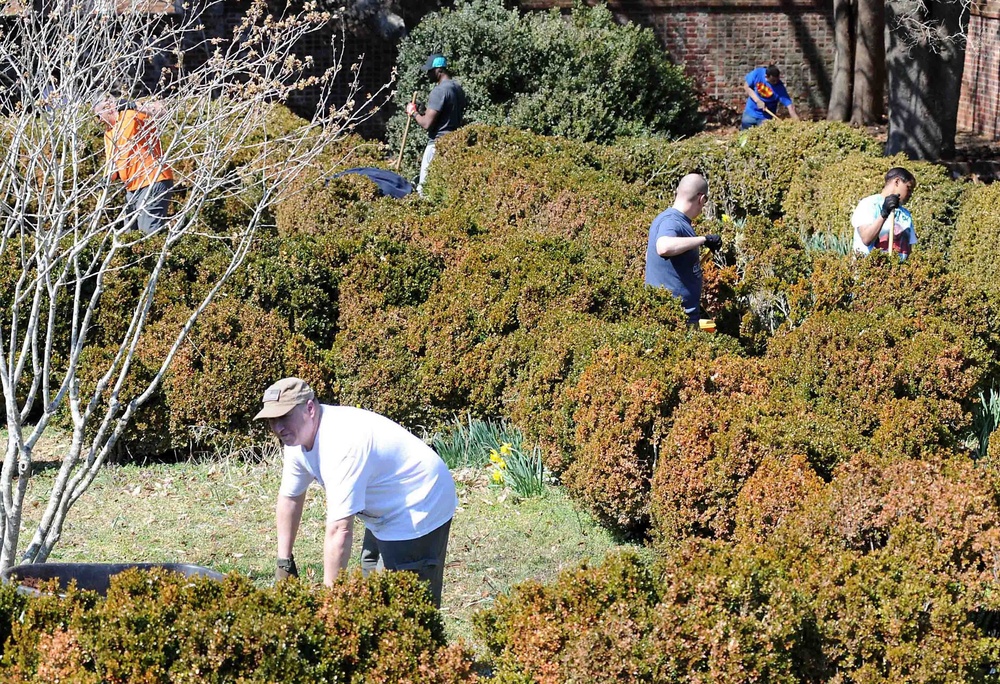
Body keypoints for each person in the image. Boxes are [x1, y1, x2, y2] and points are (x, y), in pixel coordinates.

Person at [255, 377, 457, 607]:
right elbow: (290, 498)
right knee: (372, 583)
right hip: (382, 505)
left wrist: (329, 605)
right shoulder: (297, 438)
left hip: (421, 499)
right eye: (272, 420)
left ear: (309, 408)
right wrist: (284, 562)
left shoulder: (341, 444)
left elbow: (339, 530)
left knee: (406, 603)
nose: (278, 427)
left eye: (284, 417)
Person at [644, 173, 722, 326]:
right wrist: (703, 240)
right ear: (701, 199)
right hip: (675, 319)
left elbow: (649, 256)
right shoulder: (672, 222)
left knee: (710, 330)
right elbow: (663, 247)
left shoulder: (665, 219)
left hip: (677, 315)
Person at [94, 96, 174, 235]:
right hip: (132, 189)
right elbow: (112, 165)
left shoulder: (130, 115)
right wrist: (105, 180)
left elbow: (162, 111)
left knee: (148, 233)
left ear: (107, 108)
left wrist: (135, 106)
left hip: (153, 180)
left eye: (98, 115)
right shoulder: (108, 135)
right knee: (129, 234)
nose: (99, 120)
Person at [404, 54, 466, 196]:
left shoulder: (439, 91)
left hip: (436, 145)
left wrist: (413, 113)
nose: (427, 74)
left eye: (430, 71)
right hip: (454, 143)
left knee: (424, 190)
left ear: (439, 70)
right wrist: (422, 111)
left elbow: (427, 123)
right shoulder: (457, 89)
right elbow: (445, 116)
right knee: (445, 189)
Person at [851, 167, 918, 259]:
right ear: (897, 182)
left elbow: (908, 250)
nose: (910, 194)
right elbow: (866, 239)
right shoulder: (869, 204)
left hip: (897, 271)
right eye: (908, 188)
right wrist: (884, 213)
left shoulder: (905, 215)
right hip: (872, 270)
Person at [741, 64, 800, 130]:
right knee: (744, 137)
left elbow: (790, 107)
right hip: (750, 113)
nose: (775, 82)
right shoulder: (758, 73)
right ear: (766, 76)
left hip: (765, 119)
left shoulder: (780, 88)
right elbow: (746, 86)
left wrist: (798, 126)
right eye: (773, 81)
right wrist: (758, 100)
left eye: (777, 80)